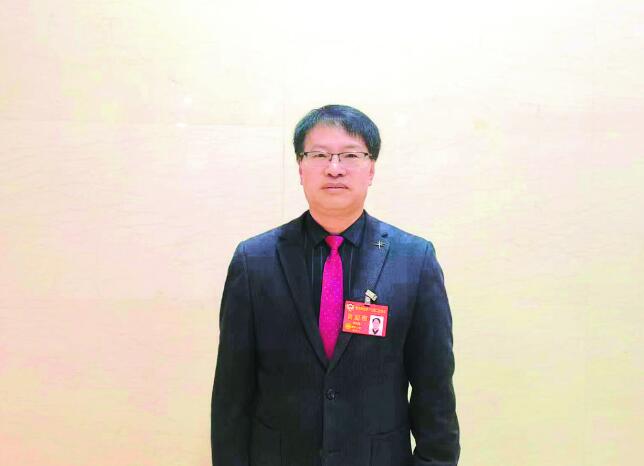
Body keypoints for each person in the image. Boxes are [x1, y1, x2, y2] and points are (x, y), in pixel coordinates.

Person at [211, 104, 460, 466]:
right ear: (300, 168)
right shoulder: (254, 261)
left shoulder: (414, 259)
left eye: (351, 155)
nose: (335, 168)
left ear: (371, 169)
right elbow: (232, 394)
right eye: (319, 155)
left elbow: (434, 390)